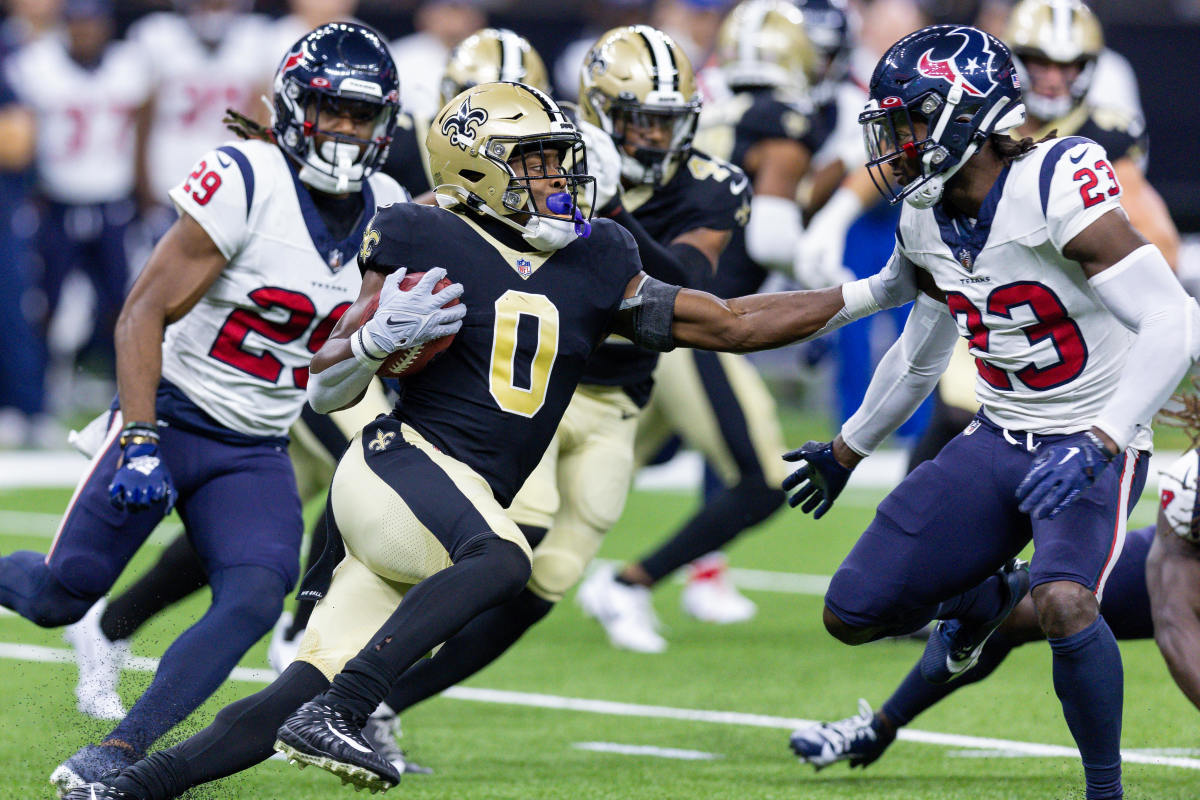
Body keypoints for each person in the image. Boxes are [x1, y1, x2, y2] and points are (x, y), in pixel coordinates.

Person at [63, 78, 919, 800]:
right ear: (477, 164)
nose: (560, 176)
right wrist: (368, 340)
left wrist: (881, 290)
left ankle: (124, 782)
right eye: (538, 160)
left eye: (559, 158)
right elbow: (324, 384)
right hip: (399, 468)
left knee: (298, 687)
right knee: (505, 560)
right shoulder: (422, 232)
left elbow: (730, 323)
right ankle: (349, 710)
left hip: (452, 504)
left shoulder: (598, 255)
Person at [780, 24, 1198, 800]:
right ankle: (988, 597)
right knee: (852, 611)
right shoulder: (924, 213)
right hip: (998, 433)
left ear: (962, 115)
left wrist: (1104, 441)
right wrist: (847, 449)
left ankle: (1104, 790)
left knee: (1068, 601)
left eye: (908, 119)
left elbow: (1175, 319)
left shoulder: (1056, 179)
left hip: (1089, 437)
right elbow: (918, 353)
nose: (895, 141)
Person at [0, 22, 411, 794]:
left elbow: (337, 357)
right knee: (59, 598)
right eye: (333, 110)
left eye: (363, 115)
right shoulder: (247, 177)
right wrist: (143, 435)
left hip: (256, 443)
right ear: (297, 108)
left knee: (256, 594)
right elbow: (140, 312)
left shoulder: (386, 205)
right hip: (174, 415)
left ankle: (118, 753)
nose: (348, 130)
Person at [573, 20, 792, 647]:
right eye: (640, 119)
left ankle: (629, 583)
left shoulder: (708, 182)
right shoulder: (554, 155)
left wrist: (612, 211)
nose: (653, 135)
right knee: (534, 512)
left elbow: (680, 291)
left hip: (670, 341)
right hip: (578, 358)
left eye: (666, 121)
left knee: (763, 479)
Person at [790, 442, 1200, 769]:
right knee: (1035, 608)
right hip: (1168, 573)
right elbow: (1177, 627)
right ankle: (881, 725)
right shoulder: (1190, 487)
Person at [5, 0, 151, 413]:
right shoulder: (37, 64)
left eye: (93, 23)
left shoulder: (129, 64)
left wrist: (143, 188)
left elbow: (145, 117)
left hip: (112, 200)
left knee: (123, 302)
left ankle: (117, 385)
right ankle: (42, 387)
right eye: (78, 23)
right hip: (56, 201)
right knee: (43, 303)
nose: (85, 31)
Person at [1006, 0, 1179, 268]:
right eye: (1040, 63)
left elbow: (1163, 251)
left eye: (1067, 66)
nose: (1053, 80)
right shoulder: (987, 125)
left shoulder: (1105, 134)